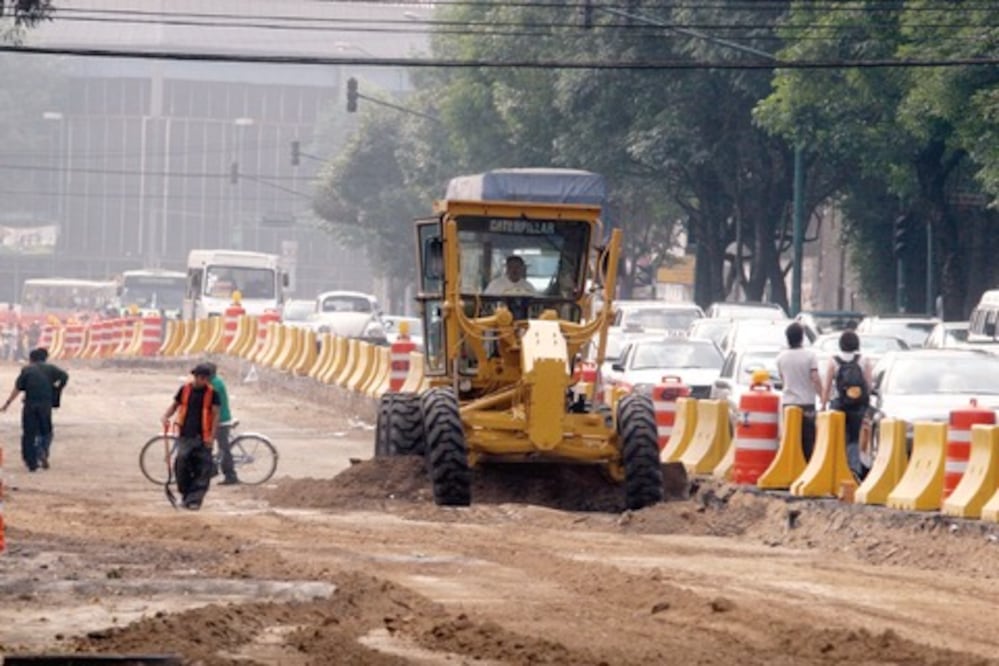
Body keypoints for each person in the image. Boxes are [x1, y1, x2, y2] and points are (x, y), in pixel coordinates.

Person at [162, 364, 220, 510]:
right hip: (185, 435)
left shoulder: (213, 394)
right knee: (181, 465)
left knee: (203, 469)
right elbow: (175, 405)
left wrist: (212, 437)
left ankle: (195, 500)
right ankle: (185, 495)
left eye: (207, 378)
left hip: (203, 436)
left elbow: (215, 416)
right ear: (195, 376)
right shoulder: (185, 390)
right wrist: (165, 416)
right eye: (202, 378)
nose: (204, 381)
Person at [2, 347, 69, 471]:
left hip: (30, 405)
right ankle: (42, 450)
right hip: (45, 405)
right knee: (46, 431)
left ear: (31, 359)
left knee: (29, 433)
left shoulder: (27, 370)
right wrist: (56, 389)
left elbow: (17, 389)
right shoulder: (51, 369)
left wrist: (7, 404)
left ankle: (31, 462)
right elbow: (64, 376)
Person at [821, 330, 872, 479]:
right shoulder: (863, 360)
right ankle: (854, 469)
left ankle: (836, 468)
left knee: (837, 437)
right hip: (857, 405)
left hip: (838, 404)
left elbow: (827, 385)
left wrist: (824, 404)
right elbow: (868, 384)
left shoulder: (833, 361)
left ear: (840, 344)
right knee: (855, 438)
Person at [776, 322, 823, 462]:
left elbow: (783, 379)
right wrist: (822, 396)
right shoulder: (810, 356)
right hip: (807, 402)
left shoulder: (781, 358)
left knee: (790, 438)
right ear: (802, 338)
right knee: (808, 438)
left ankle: (791, 464)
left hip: (788, 403)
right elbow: (815, 378)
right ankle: (806, 465)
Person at [204, 362, 238, 485]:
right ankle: (212, 469)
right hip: (217, 419)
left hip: (221, 420)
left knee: (224, 449)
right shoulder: (213, 382)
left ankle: (231, 475)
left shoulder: (215, 385)